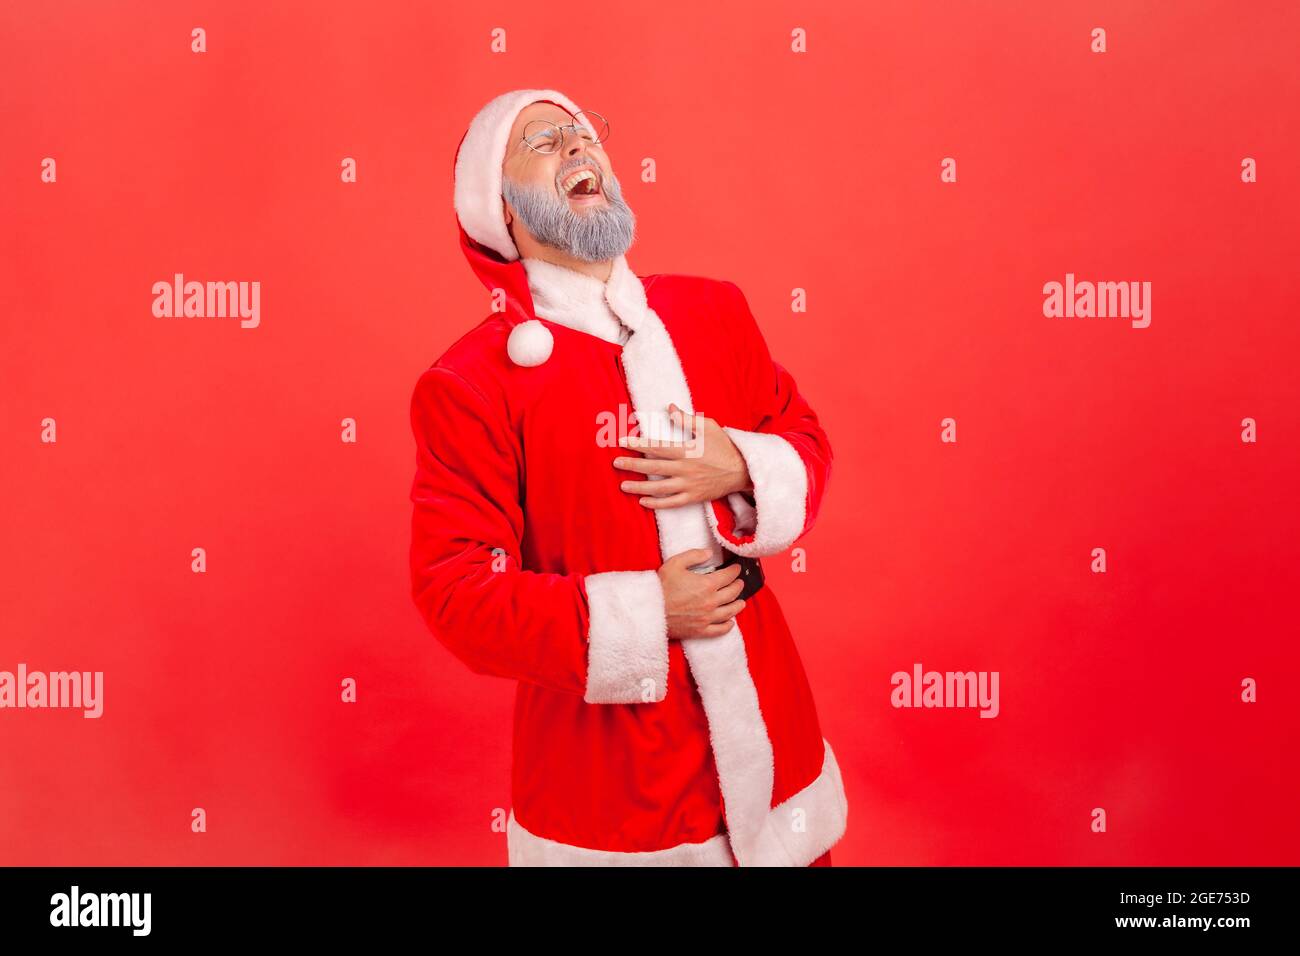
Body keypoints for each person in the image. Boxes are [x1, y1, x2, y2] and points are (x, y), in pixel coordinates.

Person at [408, 88, 845, 866]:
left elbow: (806, 443)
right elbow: (456, 591)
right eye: (544, 141)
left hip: (775, 738)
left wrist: (739, 464)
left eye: (585, 133)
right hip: (610, 782)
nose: (579, 146)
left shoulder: (715, 313)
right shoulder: (470, 383)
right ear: (501, 210)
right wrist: (648, 611)